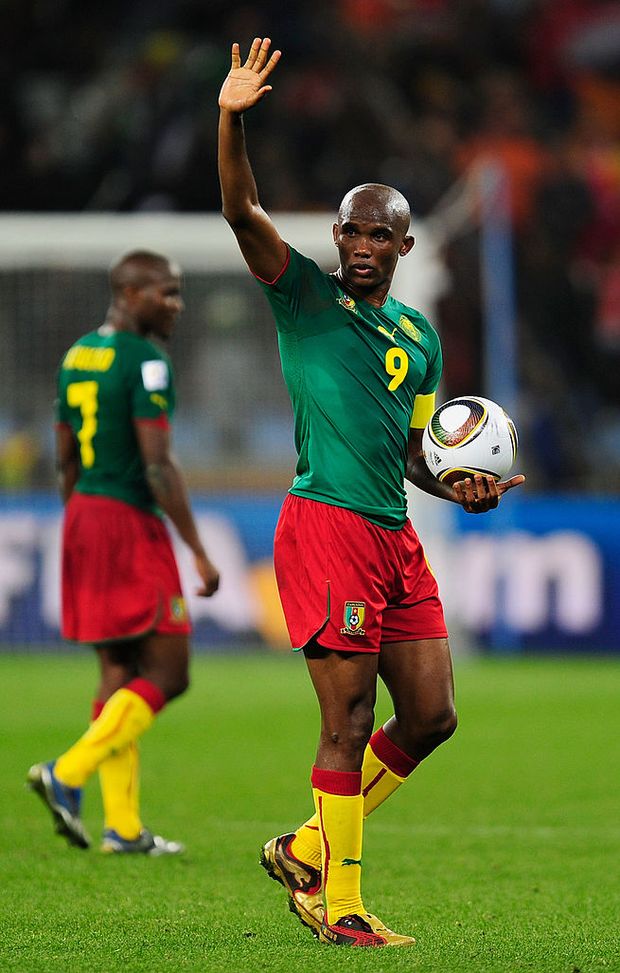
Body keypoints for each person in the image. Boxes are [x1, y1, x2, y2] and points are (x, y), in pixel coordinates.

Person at [218, 38, 525, 947]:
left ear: (403, 244)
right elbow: (240, 210)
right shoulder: (303, 297)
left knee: (431, 714)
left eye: (374, 232)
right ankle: (339, 901)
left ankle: (309, 845)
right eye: (348, 229)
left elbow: (414, 451)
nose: (357, 244)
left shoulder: (417, 336)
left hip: (393, 532)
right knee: (348, 719)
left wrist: (461, 484)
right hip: (326, 526)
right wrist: (232, 117)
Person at [27, 250, 220, 855]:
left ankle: (125, 828)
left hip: (83, 512)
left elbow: (64, 458)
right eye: (167, 292)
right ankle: (69, 770)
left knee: (117, 671)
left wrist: (81, 520)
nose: (176, 305)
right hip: (128, 520)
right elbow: (159, 466)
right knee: (170, 671)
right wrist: (196, 549)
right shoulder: (147, 362)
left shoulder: (76, 355)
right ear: (130, 293)